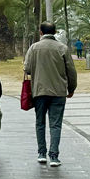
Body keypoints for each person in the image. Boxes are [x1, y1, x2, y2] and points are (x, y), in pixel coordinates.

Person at [24, 22, 77, 167]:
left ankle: (41, 153)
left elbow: (27, 68)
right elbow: (71, 71)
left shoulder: (34, 48)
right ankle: (54, 156)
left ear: (41, 32)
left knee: (40, 122)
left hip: (39, 91)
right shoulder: (62, 48)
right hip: (59, 92)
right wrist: (71, 88)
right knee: (55, 124)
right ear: (54, 32)